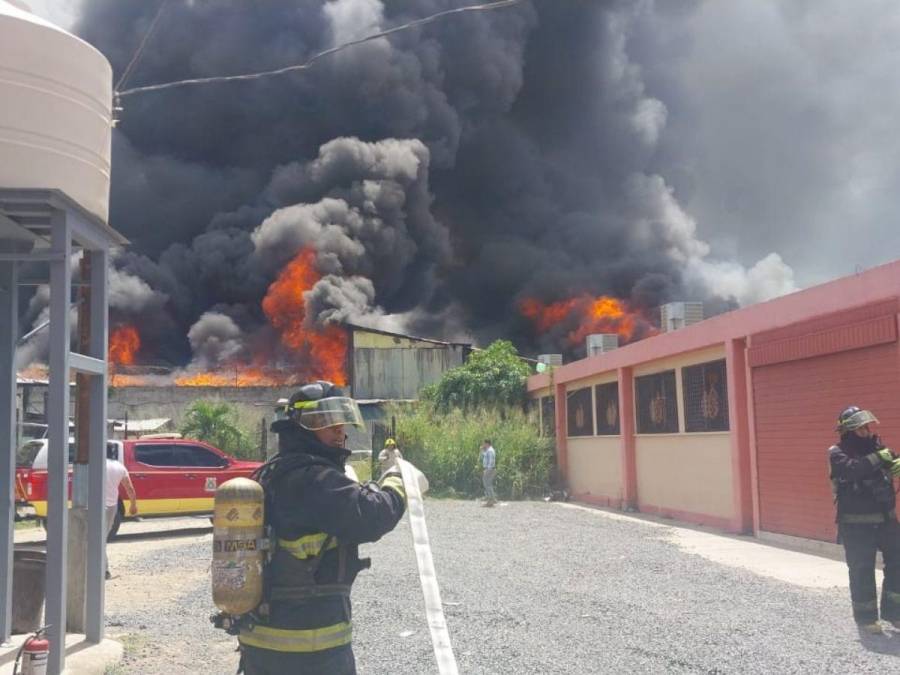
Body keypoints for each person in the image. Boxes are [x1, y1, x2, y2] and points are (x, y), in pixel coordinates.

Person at [237, 381, 417, 674]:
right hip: (310, 648)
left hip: (261, 642)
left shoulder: (273, 472)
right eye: (328, 423)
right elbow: (371, 516)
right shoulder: (313, 480)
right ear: (302, 427)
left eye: (341, 423)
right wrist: (397, 480)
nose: (340, 431)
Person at [829, 405, 900, 633]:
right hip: (856, 524)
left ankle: (895, 613)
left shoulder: (878, 447)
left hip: (886, 520)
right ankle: (866, 618)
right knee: (862, 570)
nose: (866, 431)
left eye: (867, 427)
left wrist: (896, 464)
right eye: (860, 428)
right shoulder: (837, 452)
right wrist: (879, 457)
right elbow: (852, 470)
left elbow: (891, 461)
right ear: (848, 431)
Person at [105, 450, 137, 580]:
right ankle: (104, 570)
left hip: (93, 505)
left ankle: (99, 569)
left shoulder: (95, 464)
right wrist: (133, 505)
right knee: (102, 538)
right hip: (111, 507)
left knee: (91, 538)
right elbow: (129, 488)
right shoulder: (120, 467)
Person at [480, 439, 497, 506]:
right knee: (488, 484)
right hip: (490, 469)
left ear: (487, 444)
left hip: (489, 469)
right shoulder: (489, 450)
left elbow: (491, 460)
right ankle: (492, 499)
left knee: (487, 484)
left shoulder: (490, 451)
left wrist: (487, 469)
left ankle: (491, 500)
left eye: (484, 443)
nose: (483, 445)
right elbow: (484, 456)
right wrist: (482, 451)